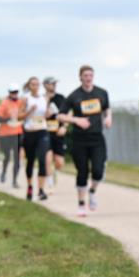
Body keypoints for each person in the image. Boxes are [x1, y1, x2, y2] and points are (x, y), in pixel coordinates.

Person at [57, 65, 111, 217]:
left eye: (90, 75)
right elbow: (60, 116)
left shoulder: (101, 93)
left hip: (97, 137)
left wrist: (108, 117)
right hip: (79, 139)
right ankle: (81, 204)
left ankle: (92, 191)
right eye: (85, 75)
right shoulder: (74, 96)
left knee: (98, 171)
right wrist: (76, 120)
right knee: (82, 171)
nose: (88, 78)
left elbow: (107, 108)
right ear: (80, 77)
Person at [20, 77, 51, 201]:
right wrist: (29, 112)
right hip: (29, 132)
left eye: (37, 84)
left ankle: (41, 190)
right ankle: (29, 187)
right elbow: (19, 116)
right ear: (29, 86)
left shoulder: (45, 98)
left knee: (42, 160)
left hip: (42, 131)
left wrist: (47, 114)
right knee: (31, 161)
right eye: (33, 84)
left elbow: (46, 114)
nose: (35, 86)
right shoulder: (25, 98)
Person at [0, 84, 23, 187]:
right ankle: (3, 173)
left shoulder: (21, 102)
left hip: (17, 132)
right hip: (5, 133)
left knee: (17, 158)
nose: (15, 94)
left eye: (16, 92)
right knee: (7, 156)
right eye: (13, 92)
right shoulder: (4, 103)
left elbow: (24, 115)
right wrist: (8, 119)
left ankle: (14, 180)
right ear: (9, 93)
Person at [43, 76, 67, 189]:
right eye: (52, 83)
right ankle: (50, 182)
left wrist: (65, 127)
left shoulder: (61, 98)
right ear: (45, 85)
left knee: (60, 163)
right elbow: (40, 115)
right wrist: (46, 102)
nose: (54, 85)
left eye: (55, 83)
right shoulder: (41, 99)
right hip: (44, 133)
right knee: (47, 159)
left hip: (58, 132)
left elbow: (68, 114)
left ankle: (55, 173)